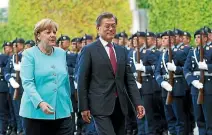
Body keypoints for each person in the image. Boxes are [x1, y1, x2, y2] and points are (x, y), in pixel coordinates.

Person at [77, 12, 145, 135]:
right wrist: (83, 107)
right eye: (107, 26)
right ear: (98, 28)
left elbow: (129, 80)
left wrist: (138, 103)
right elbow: (82, 80)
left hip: (120, 105)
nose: (111, 29)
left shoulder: (121, 50)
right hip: (100, 106)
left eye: (113, 26)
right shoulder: (89, 50)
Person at [19, 18, 73, 135]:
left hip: (62, 112)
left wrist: (69, 106)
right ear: (38, 36)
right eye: (48, 32)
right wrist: (40, 103)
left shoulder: (61, 53)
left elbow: (65, 81)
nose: (53, 35)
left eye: (54, 32)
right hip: (35, 113)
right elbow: (28, 83)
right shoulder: (29, 54)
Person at [183, 28, 212, 135]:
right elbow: (186, 69)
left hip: (209, 87)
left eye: (199, 37)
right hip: (195, 89)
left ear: (205, 38)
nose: (196, 39)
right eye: (195, 37)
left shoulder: (210, 49)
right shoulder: (193, 52)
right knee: (199, 119)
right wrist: (193, 82)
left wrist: (207, 66)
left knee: (209, 119)